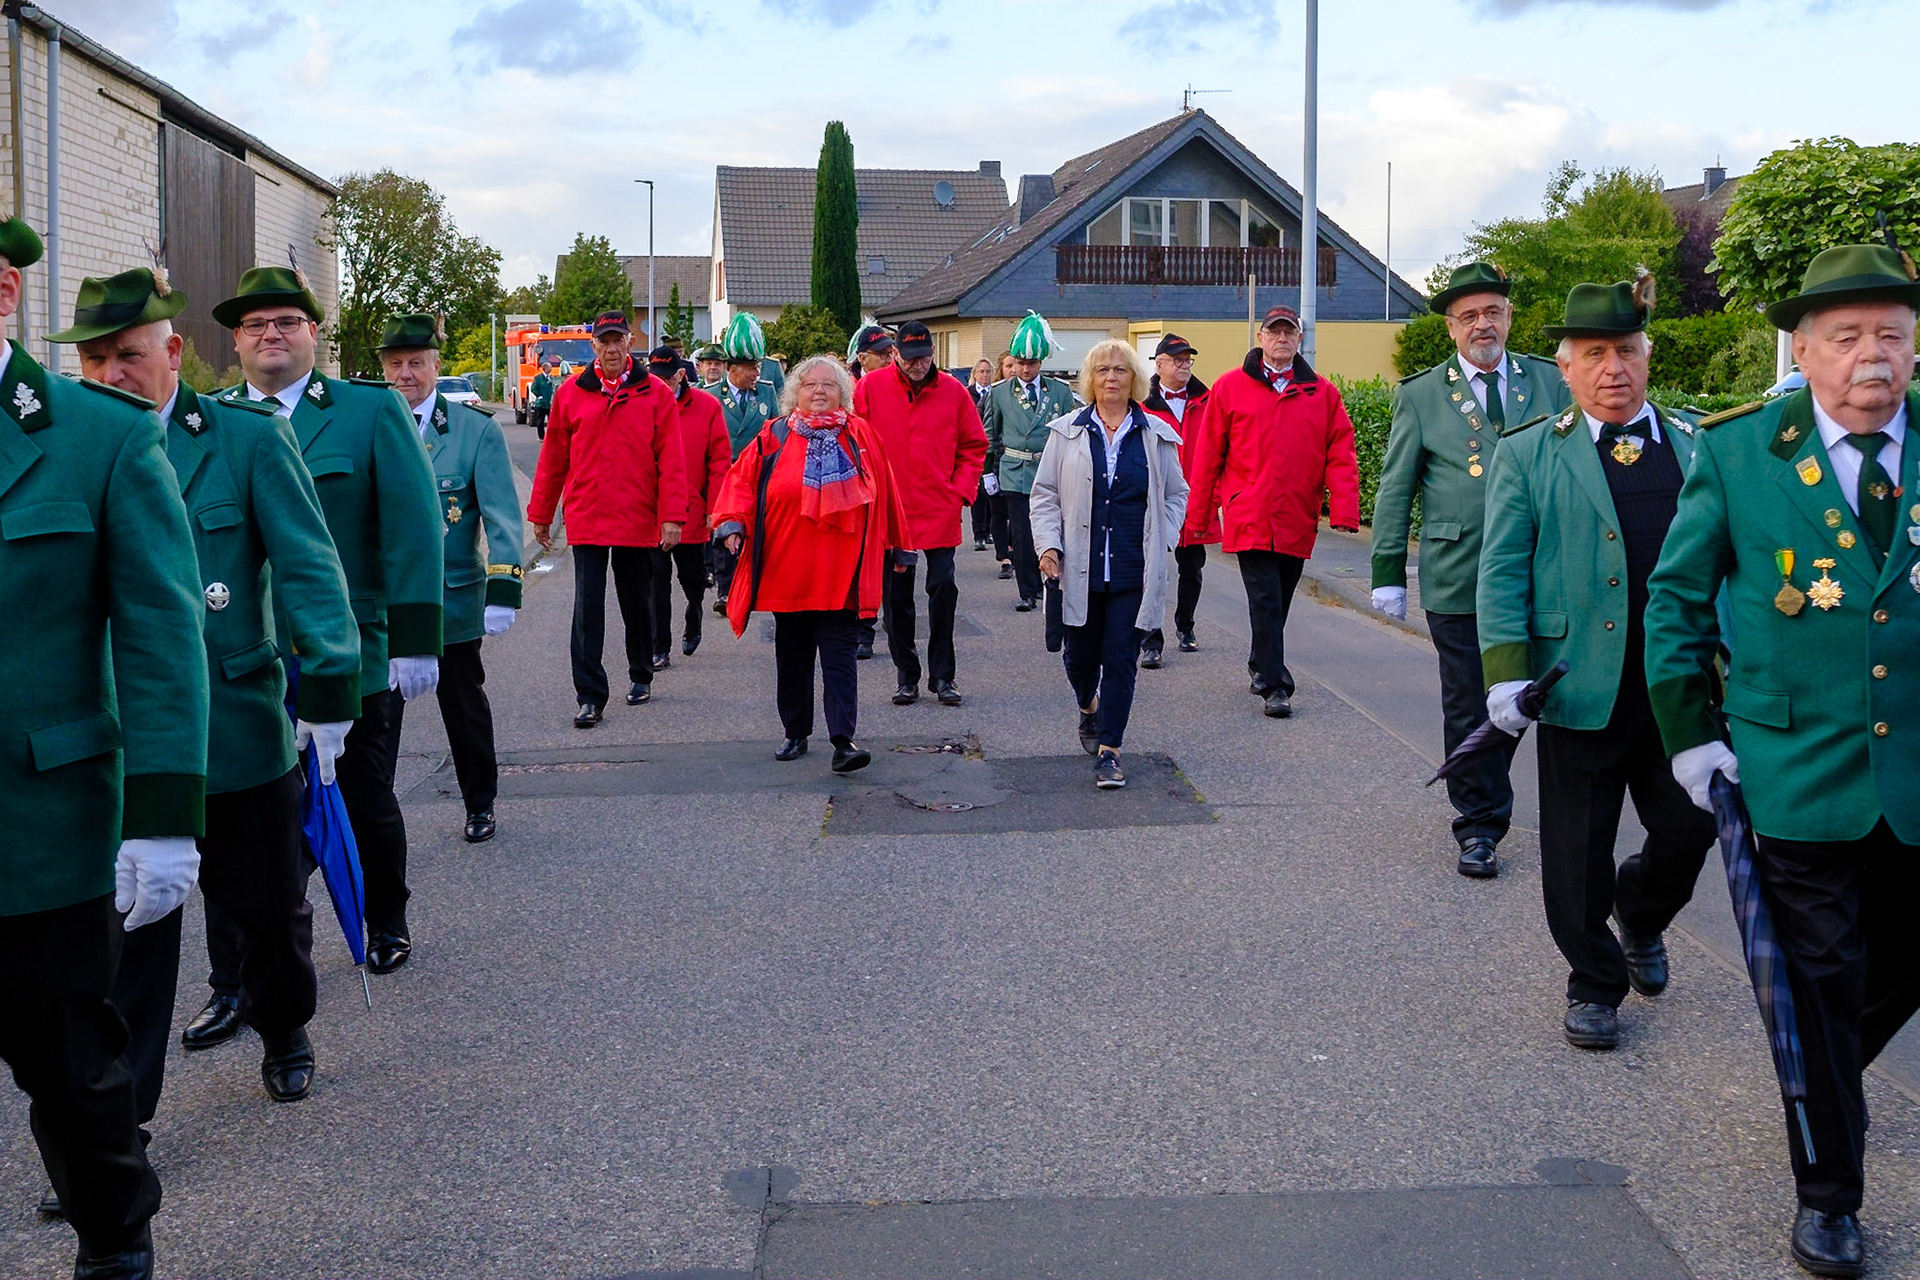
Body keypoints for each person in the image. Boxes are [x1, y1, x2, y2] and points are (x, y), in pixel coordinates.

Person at [1644, 243, 1920, 1280]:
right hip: (1795, 765)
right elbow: (1675, 600)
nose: (1871, 356)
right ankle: (1830, 1194)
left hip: (1918, 769)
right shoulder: (1744, 451)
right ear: (1802, 351)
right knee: (1818, 977)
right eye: (1845, 337)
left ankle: (1827, 1083)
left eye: (1891, 334)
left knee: (1893, 967)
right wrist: (1689, 732)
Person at [51, 267, 357, 1122]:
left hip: (233, 727)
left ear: (173, 351)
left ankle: (285, 1028)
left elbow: (308, 564)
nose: (114, 372)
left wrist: (330, 686)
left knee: (265, 913)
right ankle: (119, 1126)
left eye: (131, 354)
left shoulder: (245, 439)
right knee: (128, 946)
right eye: (97, 358)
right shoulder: (68, 455)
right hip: (124, 741)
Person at [0, 219, 208, 1280]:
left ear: (2, 289)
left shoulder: (99, 434)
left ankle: (116, 1242)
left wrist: (163, 816)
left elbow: (163, 637)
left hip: (41, 830)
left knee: (77, 1078)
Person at [1477, 275, 1716, 1053]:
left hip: (1678, 689)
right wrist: (1506, 671)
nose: (1614, 367)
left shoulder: (1697, 445)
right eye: (1595, 354)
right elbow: (1504, 566)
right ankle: (1593, 983)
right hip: (1578, 682)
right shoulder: (1529, 455)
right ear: (1566, 365)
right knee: (1576, 852)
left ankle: (1640, 914)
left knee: (1689, 829)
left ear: (1648, 357)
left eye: (1627, 350)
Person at [205, 266, 443, 986]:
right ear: (237, 342)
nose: (270, 334)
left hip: (350, 651)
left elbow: (412, 527)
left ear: (313, 333)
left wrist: (414, 640)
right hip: (247, 659)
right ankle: (237, 977)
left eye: (286, 321)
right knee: (241, 822)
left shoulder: (369, 413)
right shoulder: (210, 422)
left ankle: (384, 915)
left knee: (362, 792)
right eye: (255, 324)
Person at [1371, 262, 1574, 880]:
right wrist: (1386, 569)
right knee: (1469, 706)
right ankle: (1479, 824)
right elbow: (1396, 485)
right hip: (1459, 573)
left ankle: (1569, 822)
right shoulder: (1421, 394)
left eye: (1493, 312)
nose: (1482, 324)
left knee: (1553, 700)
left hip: (1544, 573)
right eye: (1469, 316)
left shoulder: (1550, 382)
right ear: (1451, 328)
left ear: (1509, 317)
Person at [712, 355, 909, 772]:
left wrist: (900, 545)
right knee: (793, 654)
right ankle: (795, 731)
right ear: (794, 394)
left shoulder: (860, 435)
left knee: (840, 654)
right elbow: (740, 482)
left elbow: (887, 490)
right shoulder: (773, 435)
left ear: (844, 393)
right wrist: (732, 523)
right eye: (809, 385)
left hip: (842, 569)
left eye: (829, 385)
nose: (819, 391)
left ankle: (844, 740)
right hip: (787, 568)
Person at [378, 314, 524, 845]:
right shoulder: (367, 427)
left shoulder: (474, 430)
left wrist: (504, 587)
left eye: (416, 363)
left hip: (452, 600)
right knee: (379, 715)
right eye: (395, 364)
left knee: (462, 707)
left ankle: (480, 801)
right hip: (386, 605)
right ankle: (374, 811)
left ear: (436, 366)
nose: (405, 374)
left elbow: (504, 517)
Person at [1182, 305, 1360, 718]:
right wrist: (1199, 515)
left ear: (1299, 340)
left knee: (1279, 599)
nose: (1281, 339)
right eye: (1274, 332)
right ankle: (1277, 686)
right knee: (1264, 598)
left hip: (1297, 513)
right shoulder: (1229, 388)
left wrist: (1345, 510)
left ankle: (1260, 664)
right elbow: (1209, 456)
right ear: (1260, 338)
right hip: (1250, 511)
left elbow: (1341, 453)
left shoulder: (1322, 393)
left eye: (1289, 332)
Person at [1030, 339, 1188, 790]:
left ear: (1134, 378)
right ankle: (1088, 708)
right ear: (1090, 379)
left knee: (1120, 659)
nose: (1111, 378)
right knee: (1079, 658)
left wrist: (1165, 538)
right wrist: (1048, 547)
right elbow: (1045, 497)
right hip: (1076, 568)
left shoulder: (1156, 434)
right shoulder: (1066, 432)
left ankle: (1110, 749)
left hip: (1131, 570)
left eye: (1120, 370)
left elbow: (1177, 494)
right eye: (1102, 370)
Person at [528, 310, 687, 729]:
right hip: (588, 515)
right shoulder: (570, 394)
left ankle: (640, 674)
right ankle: (590, 695)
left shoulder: (654, 393)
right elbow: (552, 461)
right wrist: (542, 514)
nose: (612, 348)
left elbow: (672, 459)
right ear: (594, 346)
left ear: (629, 343)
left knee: (636, 600)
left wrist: (672, 516)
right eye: (604, 341)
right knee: (587, 608)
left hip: (637, 514)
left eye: (619, 339)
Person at [853, 319, 988, 706]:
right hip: (891, 513)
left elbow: (974, 446)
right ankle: (907, 676)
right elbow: (854, 442)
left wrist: (960, 492)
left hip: (938, 508)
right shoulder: (870, 389)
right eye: (910, 358)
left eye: (925, 357)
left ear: (934, 354)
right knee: (897, 599)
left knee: (943, 590)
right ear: (895, 355)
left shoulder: (953, 392)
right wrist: (868, 493)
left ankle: (944, 677)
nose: (918, 365)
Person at [984, 312, 1078, 612]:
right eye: (1020, 363)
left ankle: (1049, 580)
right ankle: (1027, 589)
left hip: (1051, 470)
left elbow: (1071, 434)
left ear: (1041, 363)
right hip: (1016, 471)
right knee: (1022, 534)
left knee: (1053, 530)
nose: (1025, 369)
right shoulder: (999, 393)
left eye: (1031, 364)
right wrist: (987, 471)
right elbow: (990, 433)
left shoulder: (1061, 392)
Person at [646, 345, 729, 663]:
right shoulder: (644, 404)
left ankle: (693, 620)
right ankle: (659, 647)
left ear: (681, 375)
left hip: (691, 512)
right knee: (656, 582)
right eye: (656, 377)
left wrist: (715, 507)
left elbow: (719, 461)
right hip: (653, 512)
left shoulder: (707, 407)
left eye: (667, 378)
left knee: (692, 580)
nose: (662, 384)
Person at [1139, 332, 1213, 666]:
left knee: (1193, 570)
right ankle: (1151, 638)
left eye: (1188, 360)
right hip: (1154, 501)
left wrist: (1217, 494)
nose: (1184, 365)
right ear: (1159, 364)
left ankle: (1186, 625)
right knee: (1152, 571)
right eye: (1177, 360)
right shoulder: (1142, 404)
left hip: (1196, 499)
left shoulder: (1209, 401)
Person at [708, 315, 782, 617]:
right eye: (751, 368)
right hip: (725, 476)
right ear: (733, 369)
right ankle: (725, 591)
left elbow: (776, 433)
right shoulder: (711, 396)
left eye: (758, 367)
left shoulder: (766, 392)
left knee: (754, 535)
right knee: (726, 532)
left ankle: (751, 586)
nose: (756, 373)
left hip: (758, 475)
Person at [966, 357, 995, 551]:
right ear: (974, 374)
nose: (984, 375)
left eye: (987, 372)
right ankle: (979, 534)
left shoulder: (996, 394)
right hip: (974, 447)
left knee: (991, 490)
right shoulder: (967, 394)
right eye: (981, 372)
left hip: (991, 447)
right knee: (977, 492)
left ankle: (989, 530)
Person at [529, 357, 557, 439]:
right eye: (549, 367)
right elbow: (533, 388)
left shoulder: (552, 378)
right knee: (540, 421)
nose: (550, 369)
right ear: (544, 369)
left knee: (552, 421)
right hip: (541, 404)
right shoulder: (538, 378)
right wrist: (539, 396)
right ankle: (541, 437)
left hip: (550, 403)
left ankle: (551, 436)